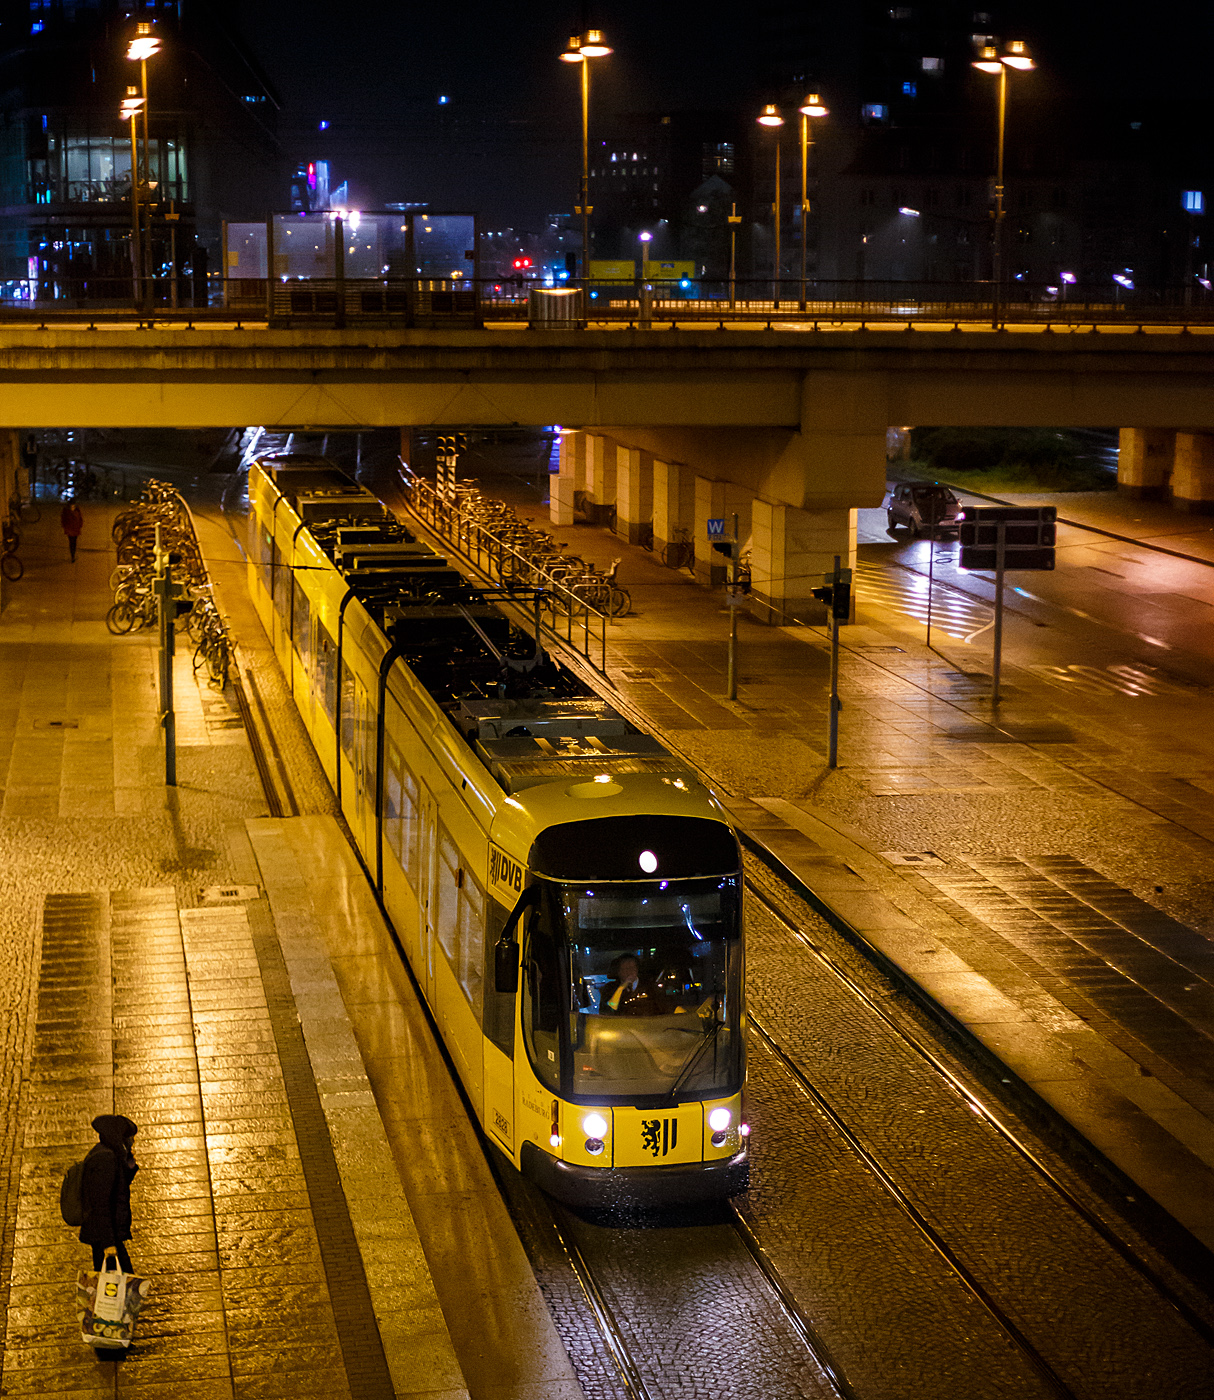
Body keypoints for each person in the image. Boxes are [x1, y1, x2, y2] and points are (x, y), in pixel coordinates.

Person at [79, 1114, 139, 1273]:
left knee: (115, 1286)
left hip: (107, 1235)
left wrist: (128, 1165)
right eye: (129, 1137)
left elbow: (118, 1187)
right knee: (121, 1287)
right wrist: (109, 1243)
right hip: (105, 1236)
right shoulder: (105, 1160)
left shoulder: (109, 1154)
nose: (132, 1141)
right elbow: (101, 1204)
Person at [599, 955, 668, 1017]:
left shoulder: (650, 986)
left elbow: (663, 1009)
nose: (629, 971)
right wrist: (621, 988)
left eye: (632, 967)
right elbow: (606, 1012)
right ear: (618, 971)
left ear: (637, 969)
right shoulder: (610, 988)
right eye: (625, 968)